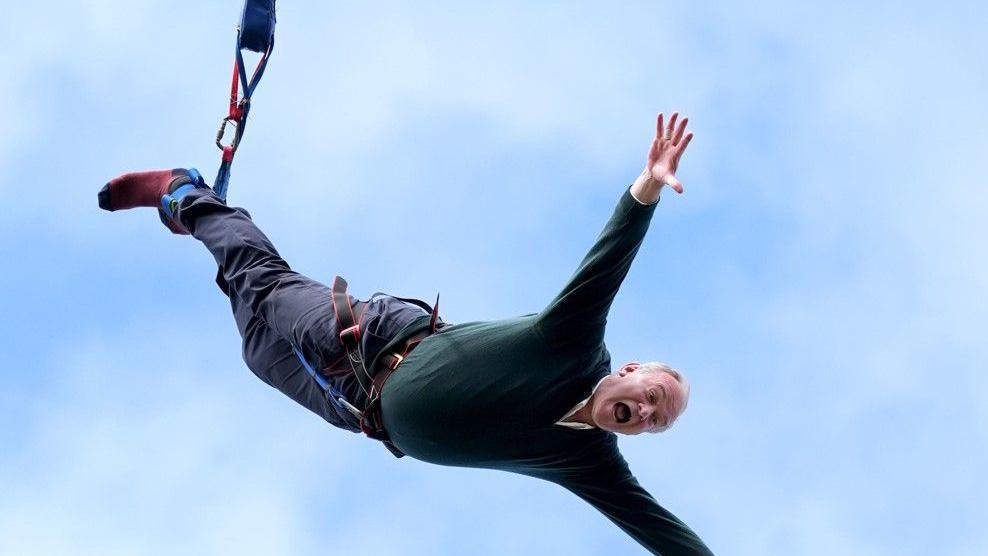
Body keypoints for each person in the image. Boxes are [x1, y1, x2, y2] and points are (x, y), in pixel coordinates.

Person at [98, 112, 712, 555]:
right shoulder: (573, 346)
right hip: (373, 339)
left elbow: (665, 534)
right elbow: (608, 259)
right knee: (264, 286)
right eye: (654, 396)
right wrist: (649, 185)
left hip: (359, 407)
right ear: (629, 371)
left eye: (656, 421)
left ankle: (216, 232)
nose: (647, 411)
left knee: (256, 346)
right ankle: (185, 192)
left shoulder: (590, 464)